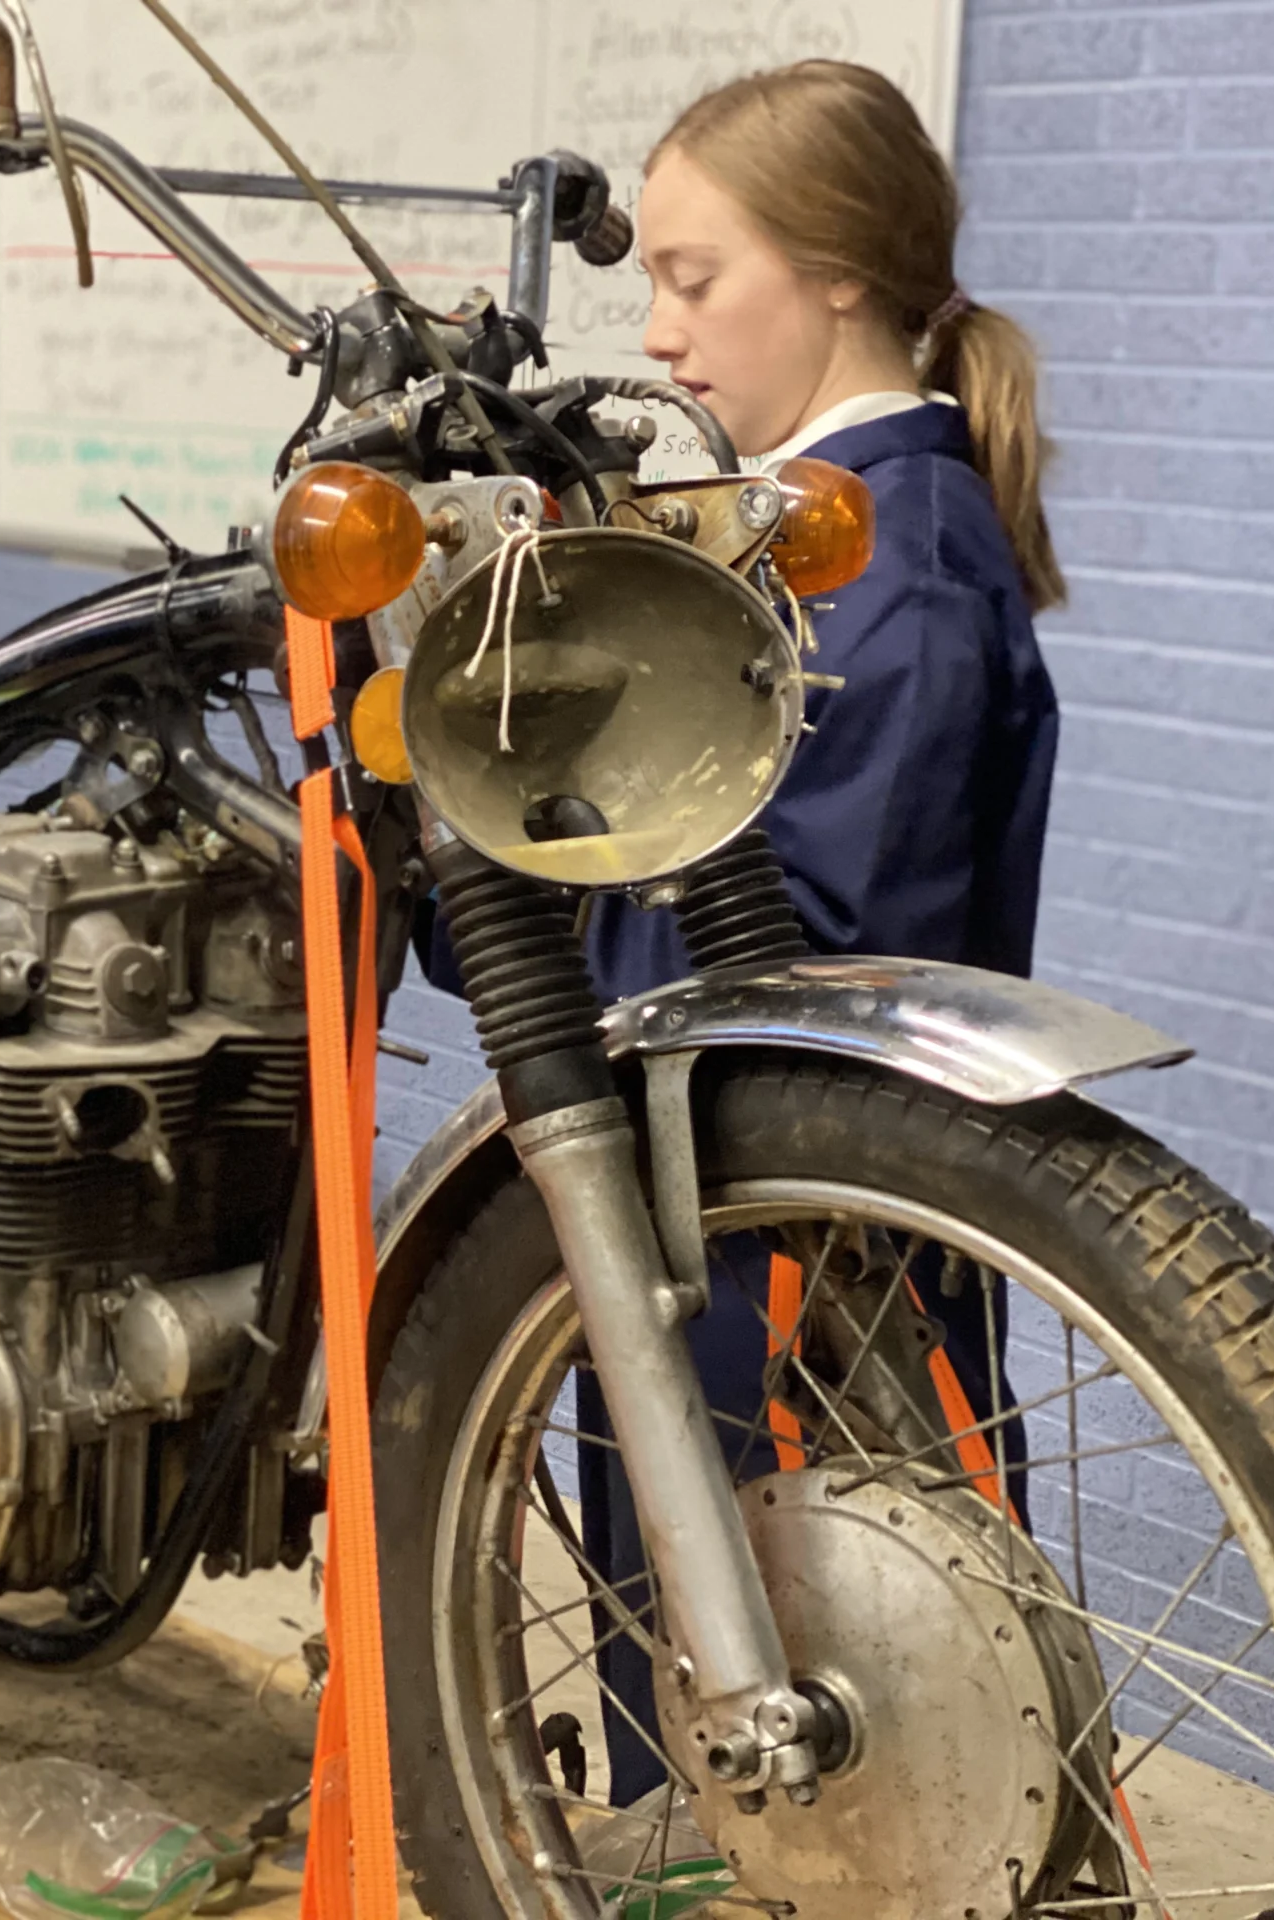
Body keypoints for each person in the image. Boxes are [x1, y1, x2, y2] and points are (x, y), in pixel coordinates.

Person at [428, 59, 1064, 1808]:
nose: (661, 329)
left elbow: (819, 963)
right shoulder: (786, 533)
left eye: (697, 280)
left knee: (816, 1711)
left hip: (795, 1263)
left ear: (841, 273)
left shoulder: (893, 568)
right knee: (719, 1676)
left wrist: (534, 894)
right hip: (707, 1224)